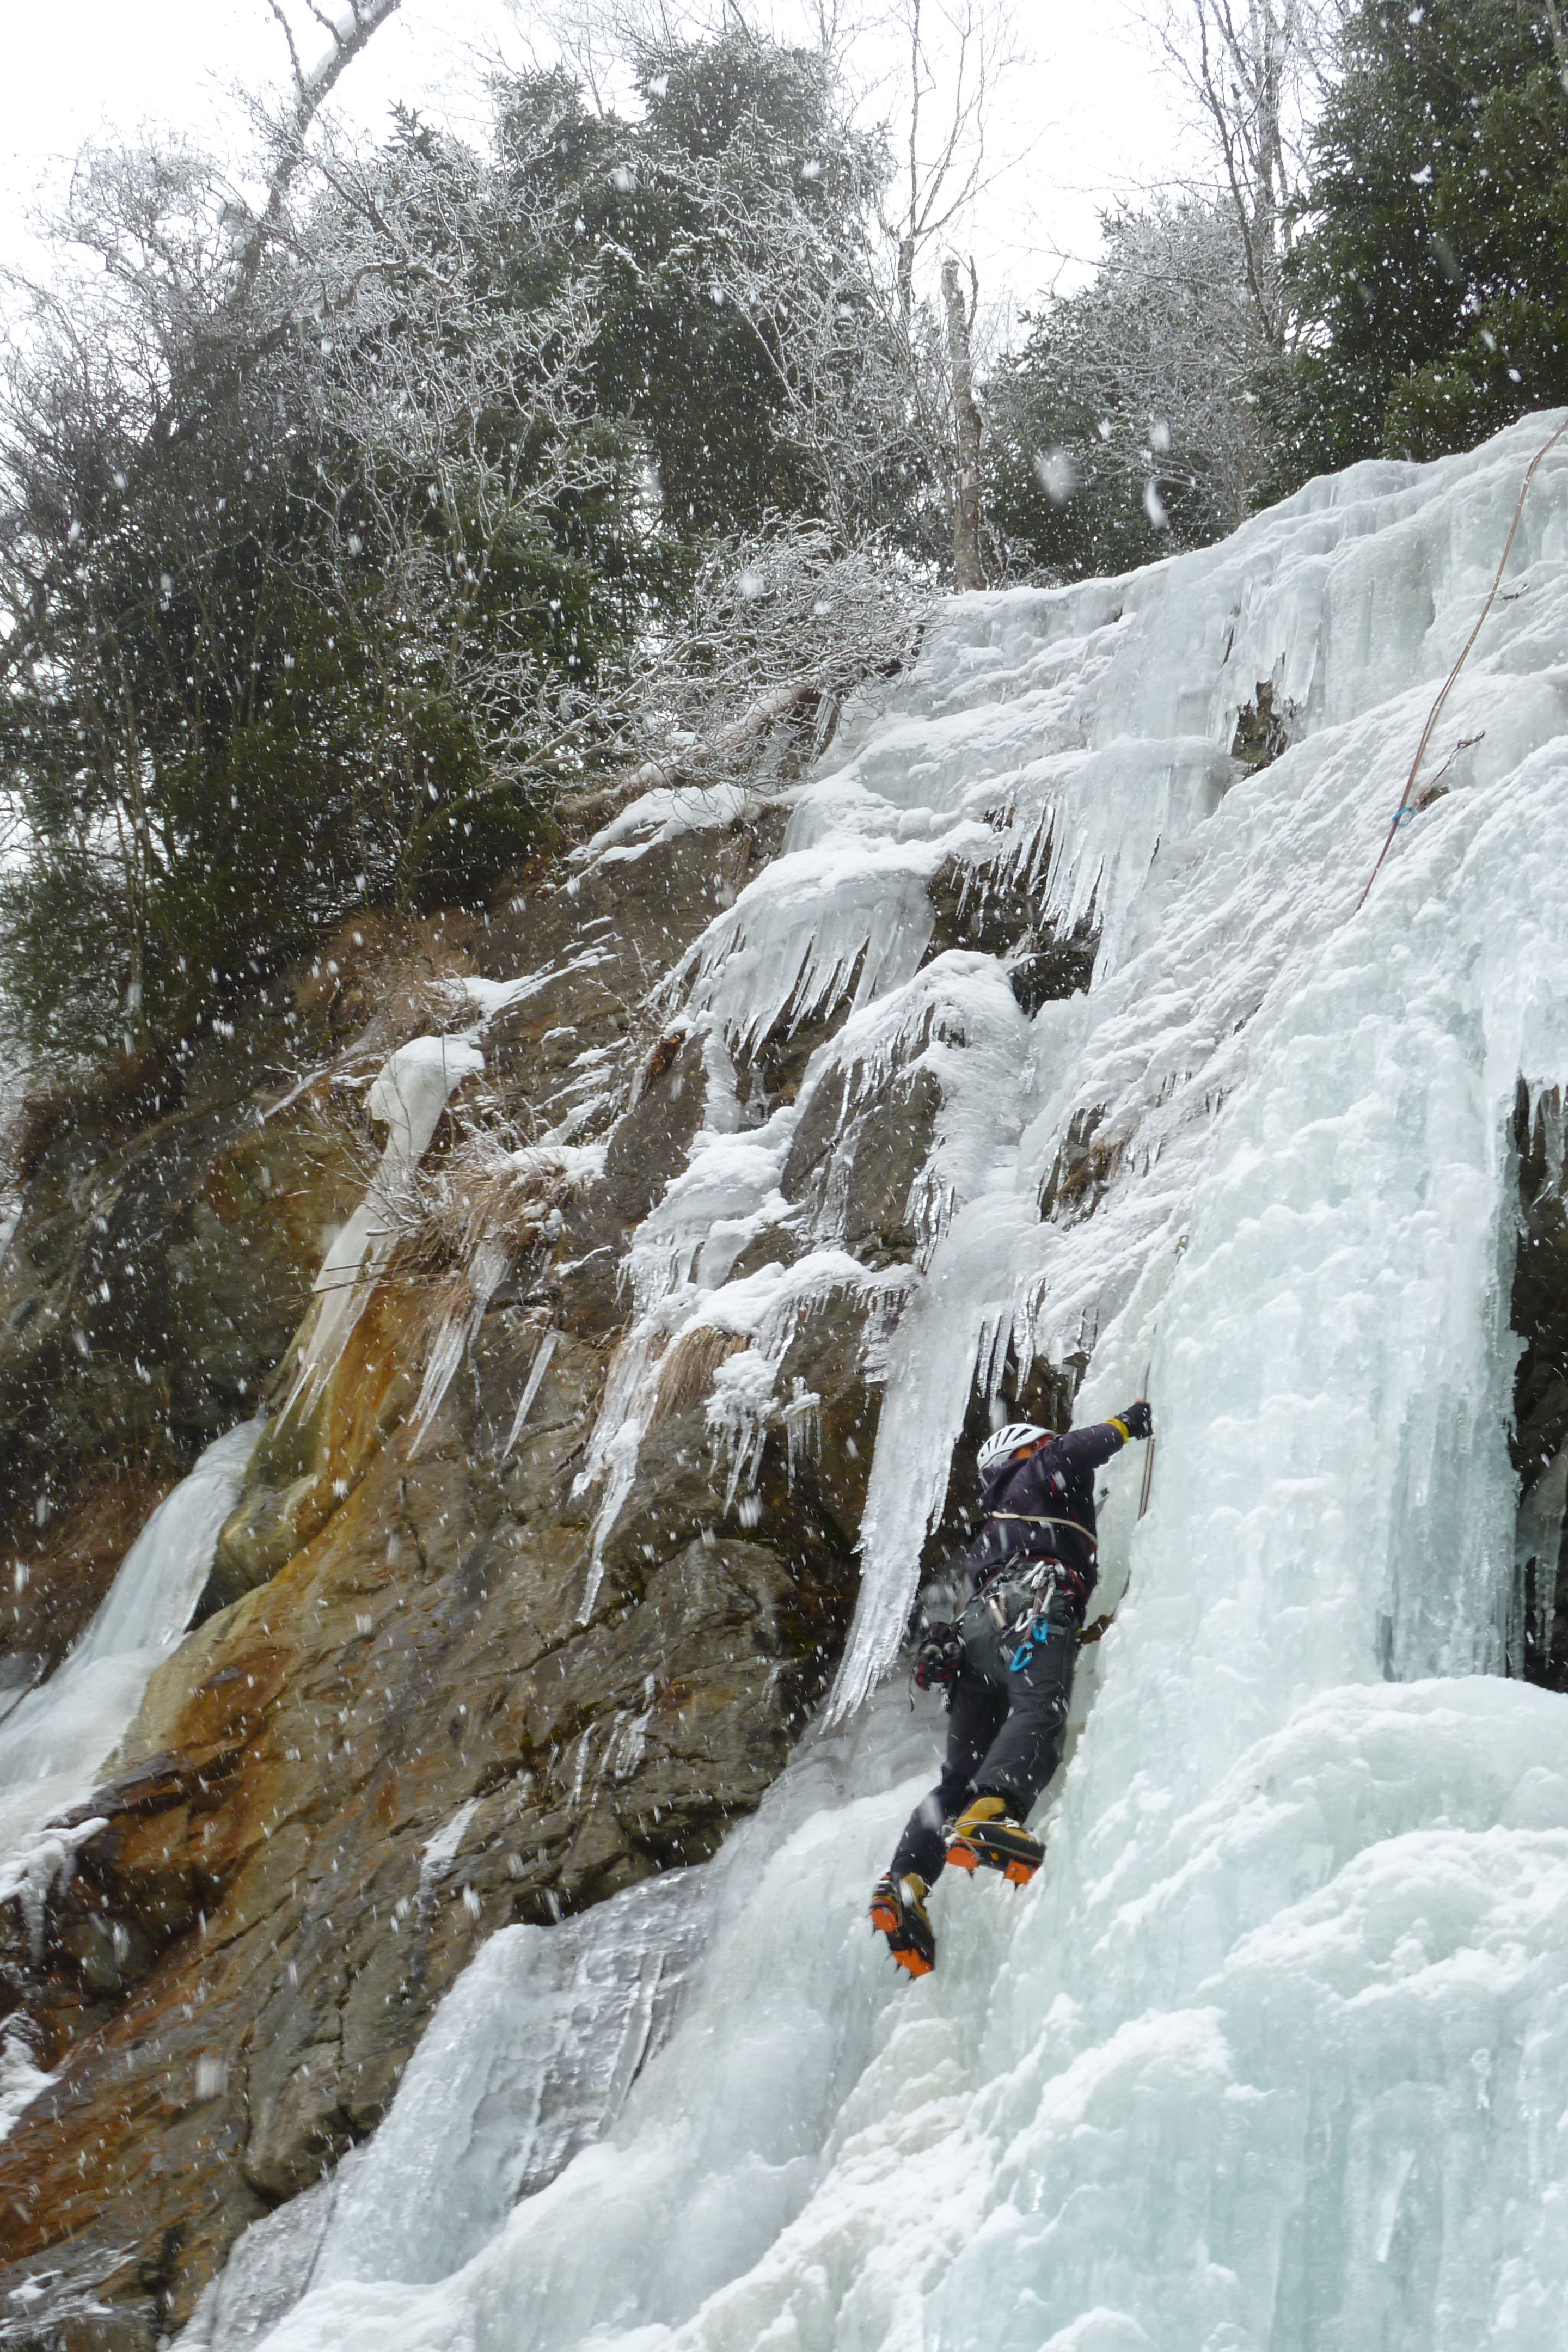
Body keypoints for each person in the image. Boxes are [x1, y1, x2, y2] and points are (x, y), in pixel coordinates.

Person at [869, 1400, 1154, 1977]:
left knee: (957, 1778)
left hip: (980, 1637)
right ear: (1021, 1452)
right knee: (1039, 1710)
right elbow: (1073, 1451)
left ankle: (905, 1883)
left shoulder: (993, 1530)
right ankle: (991, 1816)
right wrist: (1127, 1424)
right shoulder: (1031, 1474)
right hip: (1033, 1605)